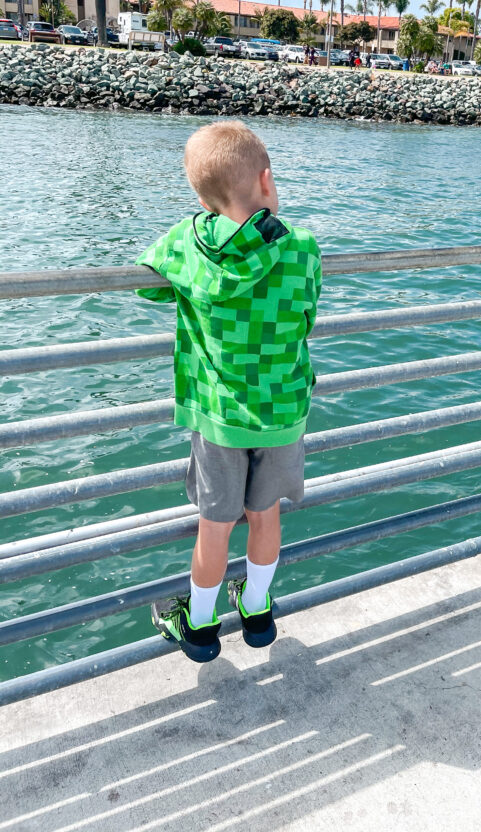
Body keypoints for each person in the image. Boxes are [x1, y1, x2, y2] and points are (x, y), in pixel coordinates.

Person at [136, 121, 322, 663]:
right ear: (266, 181)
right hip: (284, 411)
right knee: (266, 516)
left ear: (200, 197)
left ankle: (198, 627)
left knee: (214, 526)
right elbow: (309, 309)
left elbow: (149, 282)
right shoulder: (303, 247)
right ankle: (258, 612)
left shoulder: (186, 244)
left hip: (219, 419)